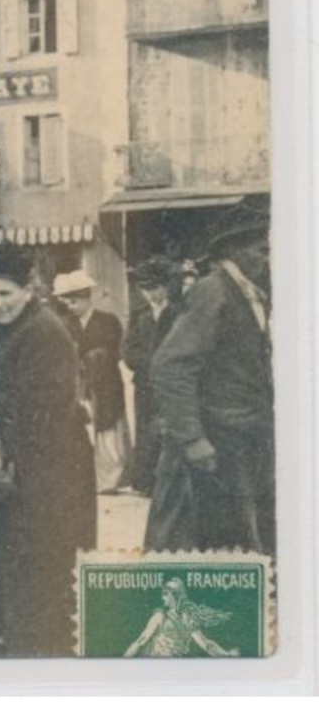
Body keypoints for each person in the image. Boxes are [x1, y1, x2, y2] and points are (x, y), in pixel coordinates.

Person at [0, 245, 96, 658]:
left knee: (39, 567)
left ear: (27, 290)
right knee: (15, 566)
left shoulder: (44, 330)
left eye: (5, 294)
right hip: (23, 465)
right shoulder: (11, 327)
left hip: (49, 470)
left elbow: (52, 401)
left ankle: (37, 657)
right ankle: (15, 645)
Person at [144, 198, 274, 557]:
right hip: (217, 444)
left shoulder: (252, 293)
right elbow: (170, 365)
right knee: (216, 548)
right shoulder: (214, 290)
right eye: (262, 250)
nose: (268, 259)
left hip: (243, 438)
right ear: (236, 249)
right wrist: (192, 438)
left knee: (243, 545)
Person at [53, 270, 132, 495]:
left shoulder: (108, 320)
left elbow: (114, 350)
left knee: (107, 430)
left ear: (87, 298)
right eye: (68, 301)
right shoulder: (64, 324)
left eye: (76, 300)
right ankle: (83, 477)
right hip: (78, 384)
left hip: (105, 381)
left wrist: (93, 358)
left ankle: (108, 480)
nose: (72, 305)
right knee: (82, 427)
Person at [122, 255, 178, 498]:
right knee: (145, 429)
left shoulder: (179, 312)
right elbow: (128, 350)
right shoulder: (140, 315)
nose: (152, 295)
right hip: (144, 382)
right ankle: (146, 483)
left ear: (166, 286)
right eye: (146, 290)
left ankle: (168, 482)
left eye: (156, 288)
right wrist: (145, 363)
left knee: (168, 428)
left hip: (170, 382)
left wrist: (161, 363)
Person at [122, 577, 239, 657]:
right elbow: (140, 641)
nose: (163, 598)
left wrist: (225, 654)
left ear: (175, 595)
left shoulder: (187, 619)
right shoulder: (160, 617)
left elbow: (206, 644)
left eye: (165, 594)